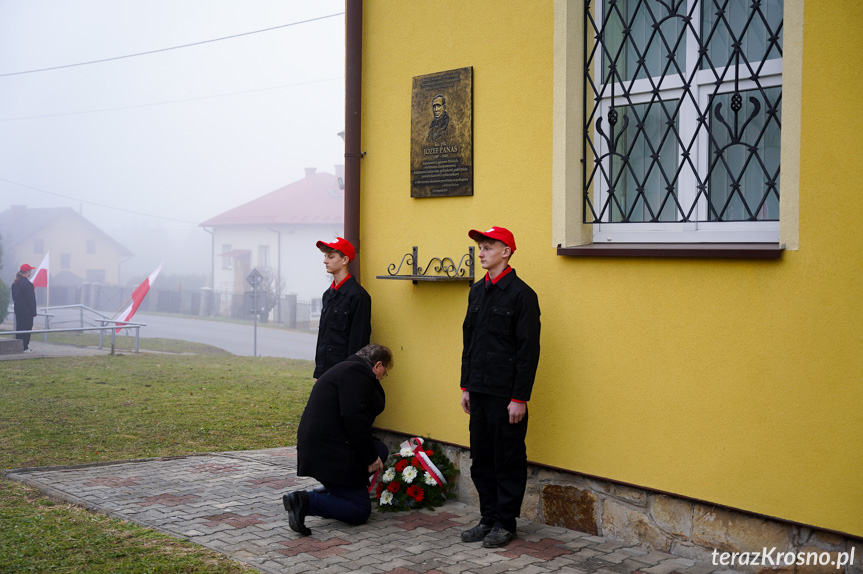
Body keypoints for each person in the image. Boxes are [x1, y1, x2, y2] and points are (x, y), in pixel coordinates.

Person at [459, 226, 541, 548]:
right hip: (478, 391)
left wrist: (519, 397)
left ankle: (506, 523)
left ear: (506, 251)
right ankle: (488, 518)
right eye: (480, 247)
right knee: (481, 458)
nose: (481, 252)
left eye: (488, 247)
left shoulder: (522, 295)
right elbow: (469, 342)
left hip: (506, 396)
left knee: (506, 459)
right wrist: (465, 386)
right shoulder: (476, 291)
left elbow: (528, 352)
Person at [284, 343, 393, 535]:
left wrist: (372, 454)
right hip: (329, 450)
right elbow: (354, 417)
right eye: (385, 371)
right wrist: (369, 458)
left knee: (381, 450)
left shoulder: (346, 368)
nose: (383, 377)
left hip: (326, 445)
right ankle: (305, 501)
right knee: (360, 510)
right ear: (377, 365)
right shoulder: (357, 373)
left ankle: (332, 491)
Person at [313, 237, 372, 379]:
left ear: (344, 260)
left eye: (331, 256)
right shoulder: (328, 295)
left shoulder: (358, 296)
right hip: (325, 374)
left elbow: (359, 341)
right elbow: (324, 338)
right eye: (325, 256)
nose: (325, 261)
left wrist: (351, 376)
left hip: (344, 374)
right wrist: (319, 373)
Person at [11, 263, 38, 353]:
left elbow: (14, 298)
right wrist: (33, 312)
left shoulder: (14, 284)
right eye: (30, 270)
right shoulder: (28, 284)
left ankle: (18, 346)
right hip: (27, 312)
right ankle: (25, 347)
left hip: (18, 311)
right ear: (27, 272)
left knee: (19, 328)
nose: (31, 272)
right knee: (27, 328)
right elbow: (31, 300)